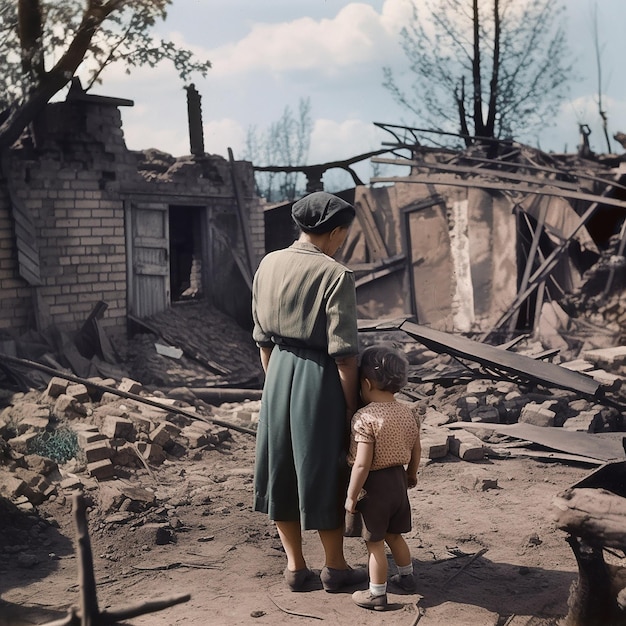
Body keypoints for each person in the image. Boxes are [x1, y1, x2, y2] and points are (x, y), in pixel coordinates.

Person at [252, 191, 367, 593]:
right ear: (334, 232)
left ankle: (296, 567)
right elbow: (345, 355)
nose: (342, 243)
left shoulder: (268, 263)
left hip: (277, 370)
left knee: (281, 469)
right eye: (343, 236)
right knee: (326, 469)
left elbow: (262, 340)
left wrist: (274, 387)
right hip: (319, 379)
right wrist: (352, 409)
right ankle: (335, 568)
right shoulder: (336, 275)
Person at [345, 344, 422, 611]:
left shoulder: (365, 417)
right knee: (395, 535)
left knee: (374, 543)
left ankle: (376, 594)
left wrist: (351, 495)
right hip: (399, 481)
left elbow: (362, 463)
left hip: (375, 486)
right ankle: (407, 577)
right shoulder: (409, 412)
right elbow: (416, 448)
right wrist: (411, 474)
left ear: (365, 383)